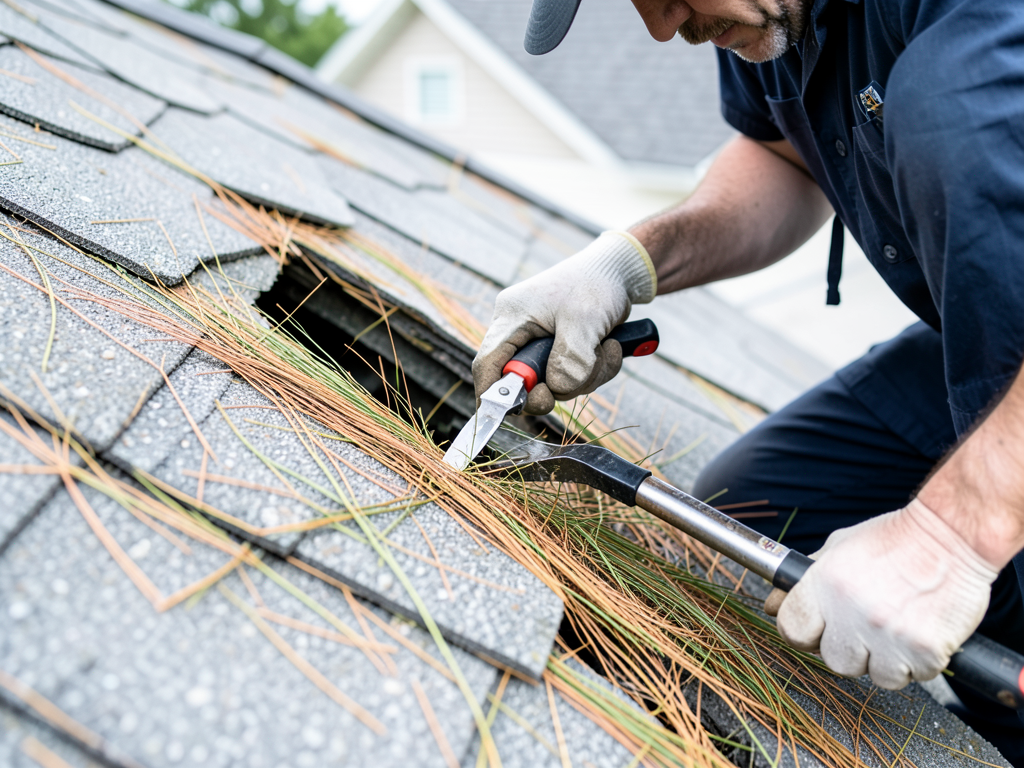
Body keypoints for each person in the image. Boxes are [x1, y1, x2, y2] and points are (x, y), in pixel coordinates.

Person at [470, 0, 1024, 759]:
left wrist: (950, 535)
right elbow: (785, 157)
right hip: (979, 343)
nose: (663, 28)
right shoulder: (765, 12)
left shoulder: (975, 35)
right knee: (752, 514)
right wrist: (626, 263)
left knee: (943, 104)